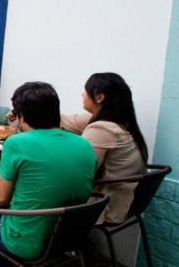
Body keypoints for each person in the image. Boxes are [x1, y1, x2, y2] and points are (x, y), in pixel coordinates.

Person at [0, 82, 97, 261]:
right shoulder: (84, 145)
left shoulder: (17, 143)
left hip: (21, 240)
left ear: (21, 117)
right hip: (66, 238)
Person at [61, 72, 148, 224]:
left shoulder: (103, 130)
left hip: (103, 208)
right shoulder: (118, 120)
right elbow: (68, 121)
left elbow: (76, 176)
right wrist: (33, 109)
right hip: (124, 201)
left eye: (85, 91)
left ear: (99, 97)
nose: (82, 94)